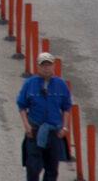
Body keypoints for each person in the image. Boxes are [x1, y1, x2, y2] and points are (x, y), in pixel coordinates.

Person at [17, 52, 72, 181]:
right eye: (43, 65)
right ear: (38, 66)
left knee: (52, 169)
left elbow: (67, 107)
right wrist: (26, 126)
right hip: (34, 131)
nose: (46, 68)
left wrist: (64, 128)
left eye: (49, 65)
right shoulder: (30, 83)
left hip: (54, 132)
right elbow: (21, 106)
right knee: (33, 168)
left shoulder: (61, 84)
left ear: (53, 66)